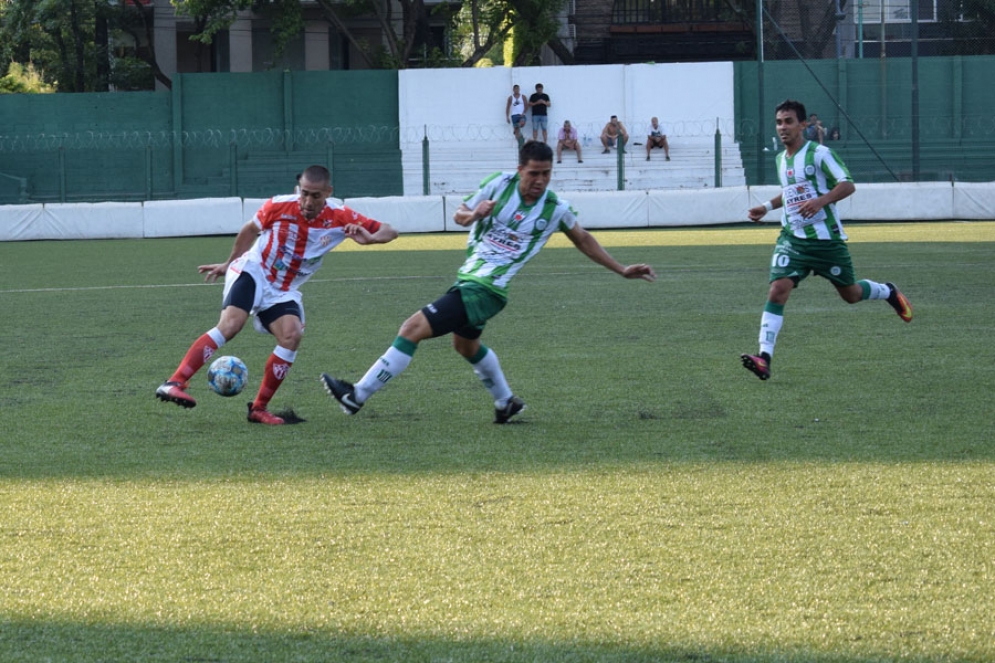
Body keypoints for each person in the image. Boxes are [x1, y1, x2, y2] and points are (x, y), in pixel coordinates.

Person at [320, 141, 656, 423]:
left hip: (487, 288)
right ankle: (506, 402)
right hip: (472, 279)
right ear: (520, 169)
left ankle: (356, 395)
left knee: (411, 329)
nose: (540, 180)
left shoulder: (555, 208)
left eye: (546, 174)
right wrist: (476, 214)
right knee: (465, 345)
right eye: (534, 173)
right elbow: (459, 215)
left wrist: (621, 268)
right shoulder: (499, 184)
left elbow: (583, 239)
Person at [155, 165, 398, 424]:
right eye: (304, 193)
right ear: (298, 189)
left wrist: (370, 238)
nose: (308, 201)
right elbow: (249, 230)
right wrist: (229, 263)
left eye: (316, 195)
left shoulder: (340, 215)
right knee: (232, 324)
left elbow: (390, 231)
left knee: (292, 335)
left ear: (328, 193)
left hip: (283, 290)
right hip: (254, 270)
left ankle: (259, 408)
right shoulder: (279, 206)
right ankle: (174, 382)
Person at [741, 100, 913, 381]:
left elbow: (847, 184)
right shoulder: (780, 158)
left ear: (803, 124)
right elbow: (790, 192)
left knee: (851, 295)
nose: (783, 127)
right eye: (779, 122)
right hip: (793, 239)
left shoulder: (820, 154)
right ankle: (764, 357)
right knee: (777, 290)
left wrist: (821, 201)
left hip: (826, 242)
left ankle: (888, 291)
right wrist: (766, 207)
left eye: (788, 121)